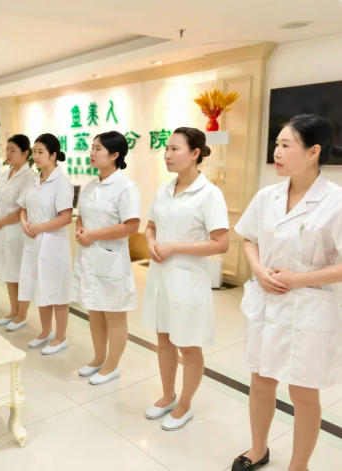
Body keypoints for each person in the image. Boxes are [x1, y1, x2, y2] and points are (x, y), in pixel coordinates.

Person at [230, 114, 342, 471]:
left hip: (308, 307)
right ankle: (258, 448)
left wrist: (297, 279)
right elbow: (249, 239)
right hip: (267, 302)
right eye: (276, 144)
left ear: (313, 152)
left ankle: (299, 466)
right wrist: (258, 268)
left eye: (285, 145)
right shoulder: (268, 196)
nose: (276, 152)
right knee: (261, 381)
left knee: (303, 392)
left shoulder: (335, 201)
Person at [141, 127, 229, 431]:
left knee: (189, 346)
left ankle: (185, 405)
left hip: (188, 282)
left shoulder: (209, 194)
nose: (167, 154)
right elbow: (150, 226)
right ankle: (167, 395)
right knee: (164, 339)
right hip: (160, 277)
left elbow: (221, 243)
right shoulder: (164, 190)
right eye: (166, 148)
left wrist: (175, 247)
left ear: (195, 154)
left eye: (175, 149)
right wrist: (151, 242)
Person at [71, 131, 141, 385]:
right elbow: (82, 216)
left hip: (111, 259)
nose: (92, 152)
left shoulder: (126, 187)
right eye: (92, 147)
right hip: (90, 256)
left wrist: (93, 235)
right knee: (94, 310)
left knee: (114, 313)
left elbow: (131, 226)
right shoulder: (91, 186)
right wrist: (81, 229)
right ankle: (98, 358)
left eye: (98, 149)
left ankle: (112, 365)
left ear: (114, 155)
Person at [17, 133, 74, 355]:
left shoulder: (62, 183)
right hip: (33, 242)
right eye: (35, 152)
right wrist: (24, 223)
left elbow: (66, 217)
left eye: (41, 152)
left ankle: (61, 337)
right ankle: (46, 331)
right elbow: (23, 207)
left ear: (53, 155)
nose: (36, 156)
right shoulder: (34, 180)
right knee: (40, 288)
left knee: (57, 292)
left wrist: (39, 227)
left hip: (53, 244)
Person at [0, 135, 35, 330]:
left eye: (13, 150)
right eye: (7, 149)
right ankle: (13, 310)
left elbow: (22, 208)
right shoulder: (6, 172)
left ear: (25, 153)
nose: (8, 153)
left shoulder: (29, 177)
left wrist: (2, 221)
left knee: (20, 275)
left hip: (17, 232)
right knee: (9, 273)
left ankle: (22, 314)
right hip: (2, 229)